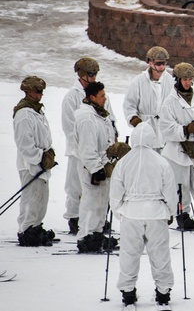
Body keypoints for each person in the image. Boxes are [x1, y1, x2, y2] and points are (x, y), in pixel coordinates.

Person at [110, 122, 175, 311]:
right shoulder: (161, 161)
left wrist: (118, 210)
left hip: (131, 213)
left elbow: (115, 191)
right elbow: (170, 191)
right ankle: (163, 292)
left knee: (129, 253)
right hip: (156, 213)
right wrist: (171, 212)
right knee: (160, 253)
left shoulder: (124, 162)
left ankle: (128, 292)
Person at [159, 62, 194, 233]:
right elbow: (166, 128)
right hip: (178, 153)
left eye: (190, 79)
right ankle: (182, 214)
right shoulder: (169, 102)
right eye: (184, 79)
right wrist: (184, 130)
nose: (187, 82)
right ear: (177, 79)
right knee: (180, 185)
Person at [61, 57, 112, 234]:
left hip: (98, 151)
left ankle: (96, 221)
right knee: (75, 187)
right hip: (78, 151)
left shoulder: (99, 93)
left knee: (97, 189)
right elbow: (68, 126)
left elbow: (108, 117)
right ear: (81, 74)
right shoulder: (71, 97)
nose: (93, 77)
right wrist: (82, 148)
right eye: (90, 74)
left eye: (95, 74)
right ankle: (74, 217)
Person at [75, 82, 126, 253]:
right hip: (92, 168)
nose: (105, 98)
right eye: (102, 96)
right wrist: (96, 168)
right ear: (92, 98)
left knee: (102, 202)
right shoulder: (87, 118)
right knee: (91, 201)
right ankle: (86, 236)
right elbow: (87, 148)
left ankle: (96, 232)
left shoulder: (100, 115)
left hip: (104, 165)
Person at [13, 76, 57, 247]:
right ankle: (26, 230)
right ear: (28, 91)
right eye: (38, 92)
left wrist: (49, 153)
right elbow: (24, 143)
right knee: (31, 198)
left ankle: (36, 227)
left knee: (41, 198)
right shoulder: (23, 113)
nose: (40, 95)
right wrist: (40, 158)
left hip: (40, 165)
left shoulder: (37, 110)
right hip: (30, 165)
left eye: (42, 92)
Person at [122, 46, 171, 148]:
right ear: (150, 62)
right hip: (145, 134)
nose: (161, 66)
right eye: (158, 63)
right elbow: (129, 104)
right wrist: (133, 118)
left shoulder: (171, 82)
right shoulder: (139, 81)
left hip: (166, 135)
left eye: (164, 63)